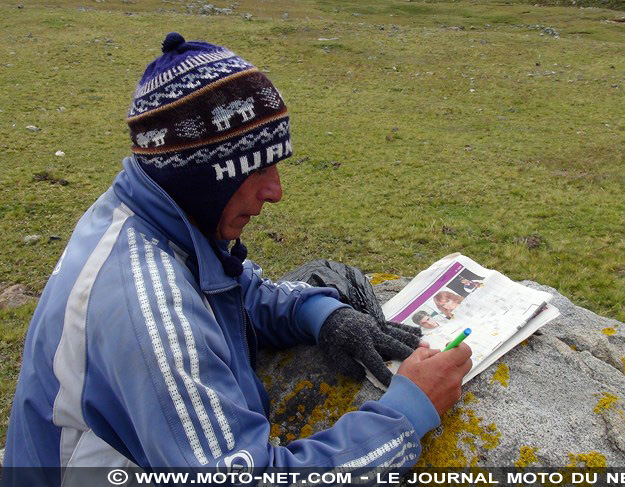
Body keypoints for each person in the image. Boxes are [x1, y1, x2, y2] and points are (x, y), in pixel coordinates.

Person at [2, 33, 472, 484]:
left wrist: (323, 313)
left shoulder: (151, 216)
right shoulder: (150, 307)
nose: (276, 192)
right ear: (204, 177)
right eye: (260, 168)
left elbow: (235, 289)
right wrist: (407, 413)